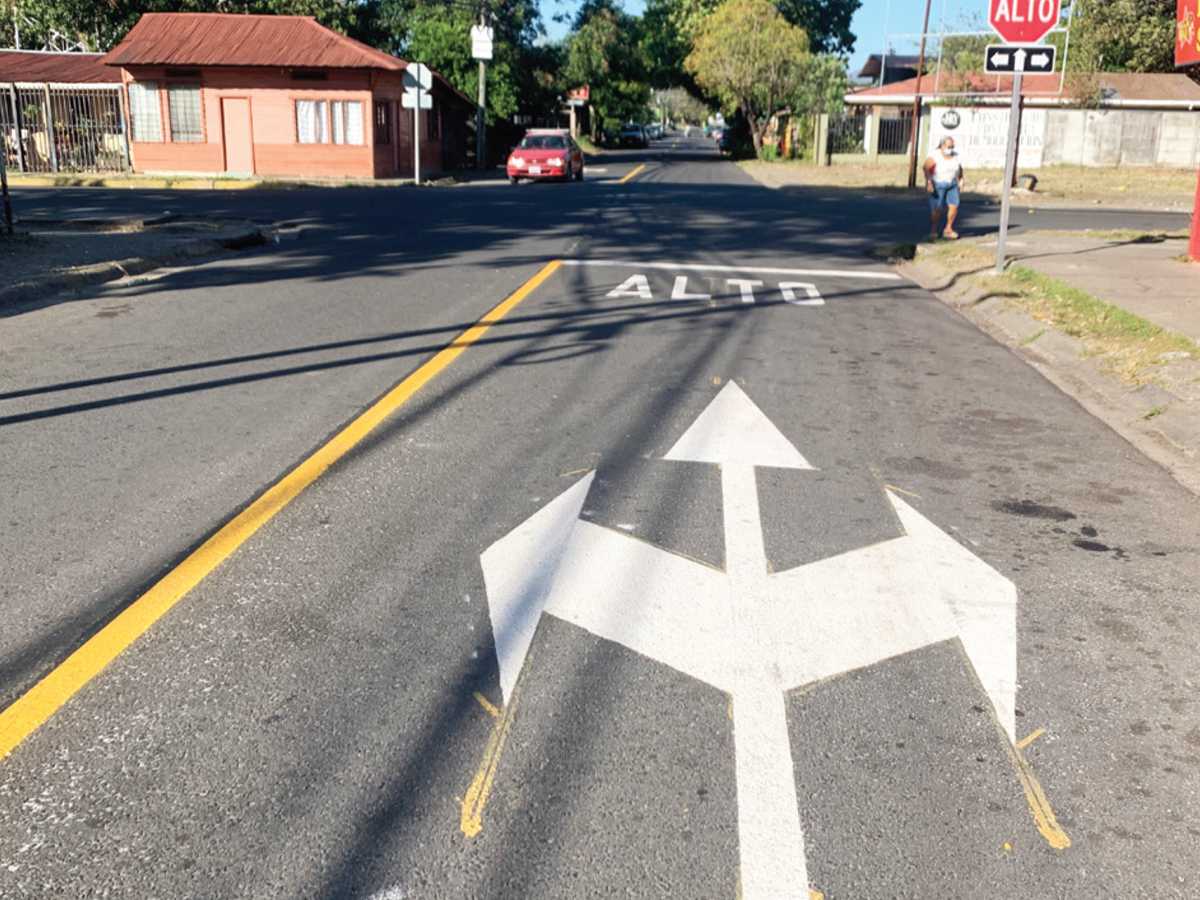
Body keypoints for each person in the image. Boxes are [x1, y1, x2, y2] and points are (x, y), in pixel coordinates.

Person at [923, 136, 964, 241]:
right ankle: (933, 231)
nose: (950, 148)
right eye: (948, 146)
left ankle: (948, 229)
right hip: (938, 183)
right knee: (937, 208)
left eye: (952, 146)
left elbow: (959, 168)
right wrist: (929, 182)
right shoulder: (935, 155)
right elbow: (926, 168)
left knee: (954, 206)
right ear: (942, 145)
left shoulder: (955, 156)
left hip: (952, 184)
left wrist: (961, 179)